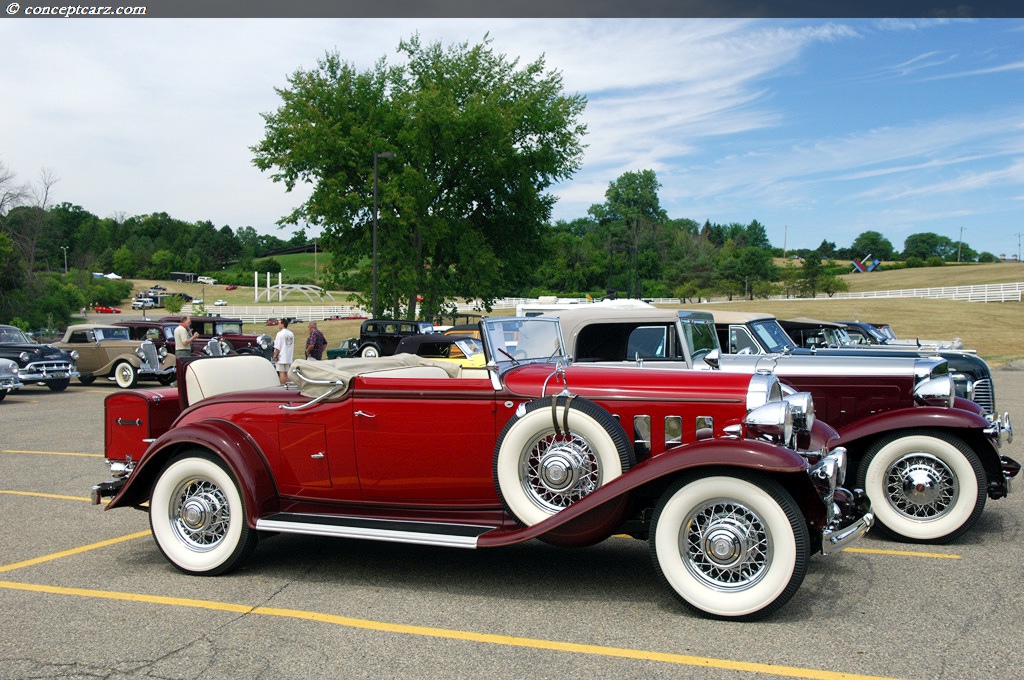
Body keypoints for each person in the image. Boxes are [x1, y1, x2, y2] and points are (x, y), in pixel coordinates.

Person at [273, 318, 295, 384]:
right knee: (287, 373)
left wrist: (275, 355)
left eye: (279, 323)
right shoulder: (291, 334)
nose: (278, 325)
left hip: (281, 356)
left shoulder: (280, 334)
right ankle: (289, 386)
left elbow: (277, 347)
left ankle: (283, 386)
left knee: (281, 372)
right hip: (288, 356)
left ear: (282, 324)